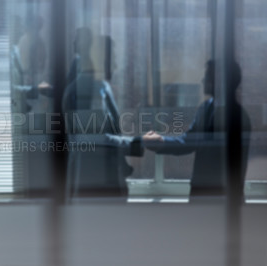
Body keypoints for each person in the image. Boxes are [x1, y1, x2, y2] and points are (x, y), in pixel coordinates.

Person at [142, 60, 251, 197]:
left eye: (207, 76)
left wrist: (161, 142)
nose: (202, 80)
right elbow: (190, 140)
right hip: (202, 192)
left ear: (218, 81)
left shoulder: (236, 115)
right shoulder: (206, 107)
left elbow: (196, 143)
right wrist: (161, 142)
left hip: (222, 196)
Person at [63, 34, 143, 198]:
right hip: (94, 180)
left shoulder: (102, 87)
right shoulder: (87, 89)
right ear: (100, 59)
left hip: (104, 177)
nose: (115, 65)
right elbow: (91, 138)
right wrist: (134, 143)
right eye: (112, 58)